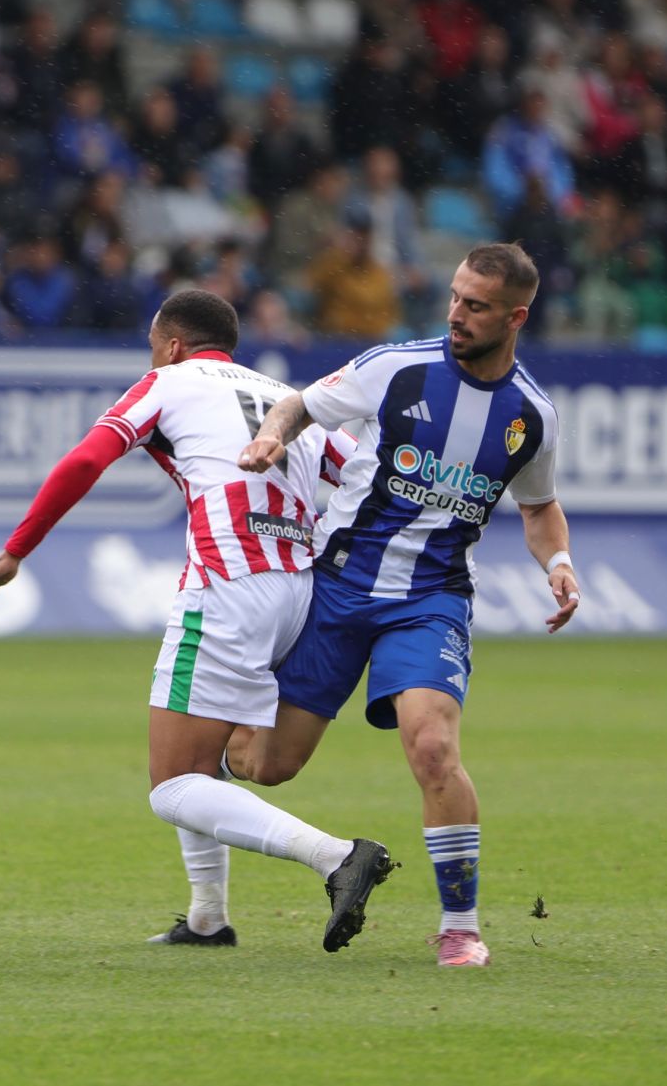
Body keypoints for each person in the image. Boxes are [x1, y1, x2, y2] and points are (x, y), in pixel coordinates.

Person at [0, 290, 393, 953]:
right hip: (302, 590)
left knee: (173, 785)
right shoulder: (288, 398)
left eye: (154, 345)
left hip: (227, 586)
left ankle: (335, 855)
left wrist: (16, 551)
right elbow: (367, 476)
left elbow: (85, 460)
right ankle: (208, 916)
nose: (151, 356)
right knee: (201, 754)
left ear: (174, 344)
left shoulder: (169, 380)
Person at [236, 243, 579, 967]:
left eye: (476, 305)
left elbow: (540, 506)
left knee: (432, 746)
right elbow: (301, 404)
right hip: (335, 587)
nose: (456, 313)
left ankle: (460, 926)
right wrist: (272, 434)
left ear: (516, 316)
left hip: (430, 599)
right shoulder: (396, 367)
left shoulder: (532, 416)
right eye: (455, 297)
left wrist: (560, 562)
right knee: (266, 764)